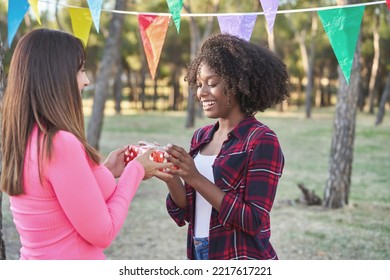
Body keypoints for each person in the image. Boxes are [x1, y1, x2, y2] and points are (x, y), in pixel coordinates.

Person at [0, 28, 173, 260]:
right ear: (56, 76)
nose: (87, 80)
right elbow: (104, 233)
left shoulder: (26, 136)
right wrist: (136, 170)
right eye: (81, 70)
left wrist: (108, 171)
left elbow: (62, 198)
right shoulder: (59, 143)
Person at [158, 33, 289, 260]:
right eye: (199, 84)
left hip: (239, 256)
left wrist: (195, 177)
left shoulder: (261, 140)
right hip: (199, 251)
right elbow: (189, 209)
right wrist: (172, 175)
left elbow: (253, 220)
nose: (202, 92)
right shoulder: (202, 137)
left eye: (212, 83)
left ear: (238, 84)